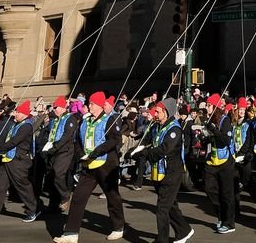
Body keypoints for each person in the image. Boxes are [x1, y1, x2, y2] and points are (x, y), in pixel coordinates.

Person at [55, 91, 125, 243]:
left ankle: (118, 227)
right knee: (78, 197)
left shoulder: (110, 120)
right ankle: (71, 233)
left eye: (92, 103)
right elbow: (78, 141)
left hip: (106, 164)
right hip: (88, 166)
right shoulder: (85, 121)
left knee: (113, 197)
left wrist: (97, 151)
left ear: (100, 105)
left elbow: (115, 140)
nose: (89, 106)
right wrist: (81, 155)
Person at [133, 98, 194, 243]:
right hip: (160, 172)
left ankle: (162, 240)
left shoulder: (174, 129)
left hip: (172, 173)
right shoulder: (158, 126)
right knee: (170, 205)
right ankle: (184, 230)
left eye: (158, 112)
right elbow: (149, 141)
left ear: (166, 112)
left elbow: (165, 149)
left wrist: (145, 154)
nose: (155, 114)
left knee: (162, 209)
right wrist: (136, 150)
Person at [0, 100, 40, 226]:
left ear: (24, 114)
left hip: (18, 161)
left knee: (22, 186)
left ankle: (33, 209)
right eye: (15, 111)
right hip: (7, 160)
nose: (15, 114)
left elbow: (14, 142)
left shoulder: (26, 126)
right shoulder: (16, 125)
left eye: (17, 112)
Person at [201, 94, 236, 233]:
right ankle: (220, 214)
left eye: (209, 106)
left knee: (226, 193)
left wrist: (213, 131)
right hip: (212, 160)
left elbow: (225, 140)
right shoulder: (208, 120)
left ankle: (229, 223)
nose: (206, 109)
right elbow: (210, 141)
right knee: (209, 188)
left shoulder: (224, 120)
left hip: (225, 161)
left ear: (215, 107)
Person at [42, 96, 79, 214]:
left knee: (58, 173)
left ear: (63, 107)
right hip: (53, 150)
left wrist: (55, 147)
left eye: (56, 107)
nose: (54, 110)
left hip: (65, 150)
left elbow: (66, 136)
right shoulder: (56, 120)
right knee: (52, 176)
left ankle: (65, 195)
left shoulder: (70, 119)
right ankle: (53, 204)